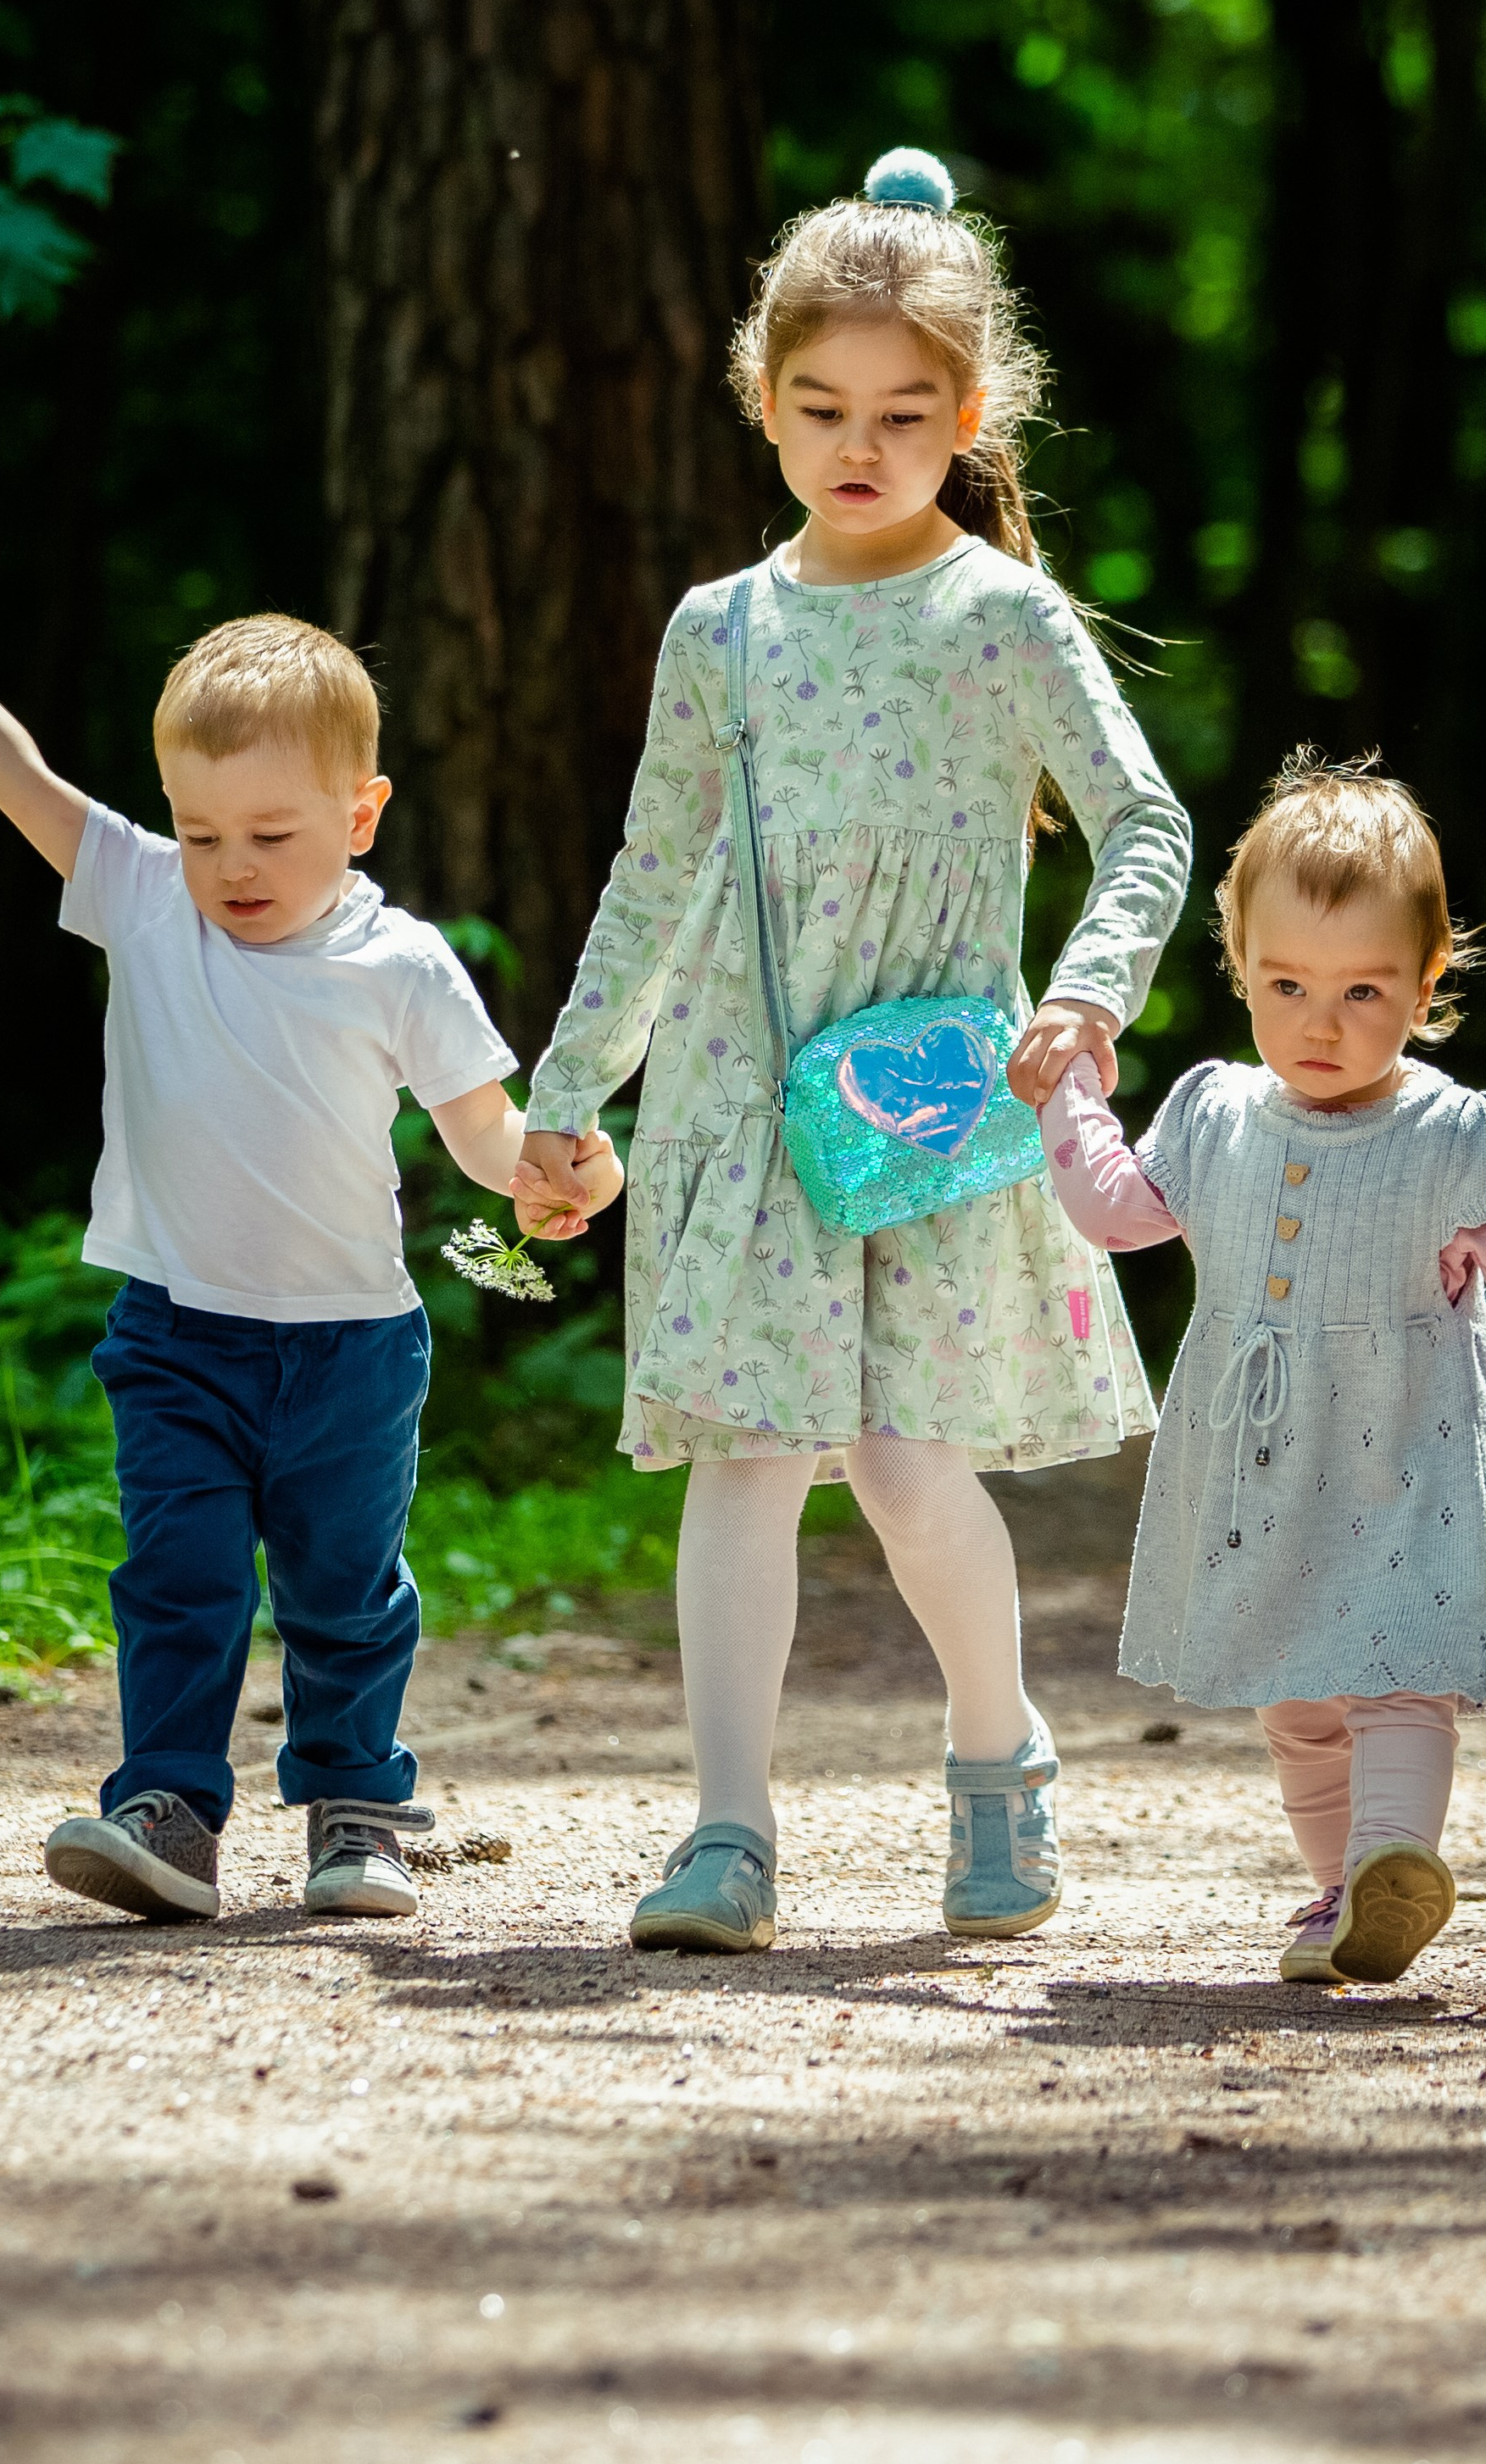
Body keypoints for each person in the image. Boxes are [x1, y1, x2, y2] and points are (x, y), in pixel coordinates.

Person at [511, 147, 1192, 1954]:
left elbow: (1144, 823)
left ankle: (998, 1762)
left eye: (903, 411)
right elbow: (650, 881)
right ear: (763, 397)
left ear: (965, 414)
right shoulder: (719, 632)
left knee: (898, 1459)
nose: (858, 443)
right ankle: (726, 1834)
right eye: (818, 405)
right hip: (740, 1097)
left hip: (934, 1100)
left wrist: (1090, 990)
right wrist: (565, 1100)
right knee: (744, 1450)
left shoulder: (1001, 617)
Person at [0, 566, 617, 1926]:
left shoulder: (404, 965)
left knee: (346, 1592)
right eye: (201, 836)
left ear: (361, 815)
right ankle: (168, 1812)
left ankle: (357, 1813)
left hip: (352, 1350)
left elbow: (486, 1139)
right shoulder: (144, 899)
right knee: (178, 1577)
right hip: (176, 1330)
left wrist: (557, 1172)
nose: (230, 869)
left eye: (268, 835)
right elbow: (12, 775)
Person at [1038, 749, 1486, 1986]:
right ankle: (1348, 1893)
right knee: (1294, 1695)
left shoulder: (1453, 1132)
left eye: (1366, 992)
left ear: (1429, 985)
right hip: (1261, 1463)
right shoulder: (1216, 1110)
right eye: (1287, 984)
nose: (1322, 1024)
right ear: (1240, 970)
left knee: (1392, 1670)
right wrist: (1066, 1090)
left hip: (1401, 1453)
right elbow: (1115, 1214)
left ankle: (1394, 1856)